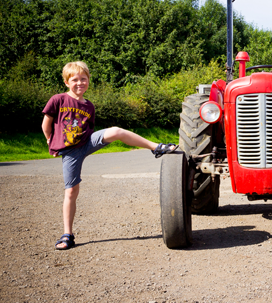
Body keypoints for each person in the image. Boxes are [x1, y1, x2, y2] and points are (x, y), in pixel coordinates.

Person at [42, 61, 176, 250]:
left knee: (115, 131)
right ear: (66, 82)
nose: (79, 83)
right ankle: (67, 235)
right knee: (71, 191)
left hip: (86, 142)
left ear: (88, 81)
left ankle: (155, 147)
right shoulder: (58, 99)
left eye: (83, 79)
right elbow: (46, 125)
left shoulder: (89, 106)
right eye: (75, 80)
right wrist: (50, 141)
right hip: (70, 151)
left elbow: (89, 129)